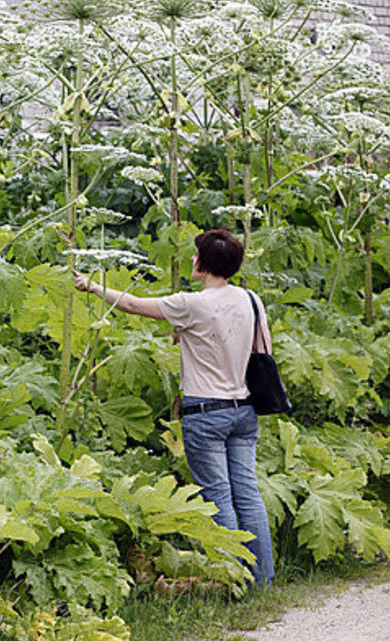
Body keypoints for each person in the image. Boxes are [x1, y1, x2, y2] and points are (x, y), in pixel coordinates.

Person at [73, 229, 274, 586]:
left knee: (217, 497)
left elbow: (134, 304)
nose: (192, 259)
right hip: (244, 409)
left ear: (206, 263)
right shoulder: (251, 300)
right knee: (248, 493)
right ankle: (263, 580)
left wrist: (93, 287)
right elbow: (264, 351)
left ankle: (236, 580)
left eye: (197, 255)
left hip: (206, 412)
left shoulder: (192, 304)